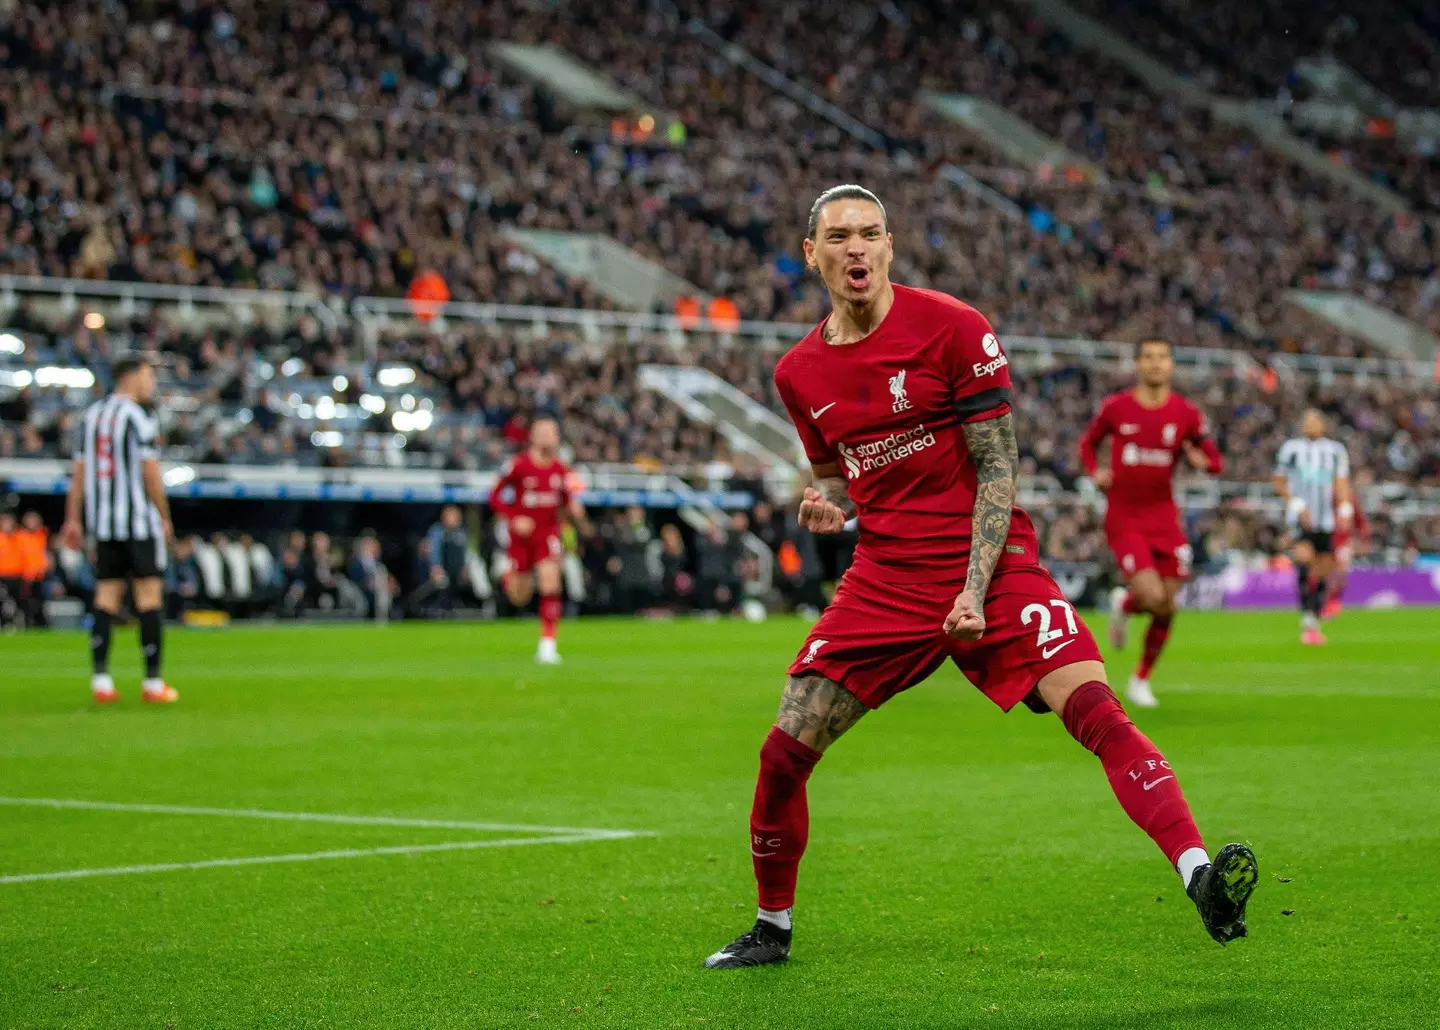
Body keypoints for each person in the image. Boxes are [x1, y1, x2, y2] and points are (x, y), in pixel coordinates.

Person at [704, 185, 1256, 970]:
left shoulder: (955, 328)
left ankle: (1199, 874)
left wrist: (973, 586)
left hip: (993, 568)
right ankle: (772, 927)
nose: (855, 249)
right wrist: (825, 503)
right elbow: (832, 472)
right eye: (839, 238)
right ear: (812, 254)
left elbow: (999, 466)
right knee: (782, 753)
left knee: (1094, 708)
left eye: (869, 234)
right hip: (885, 580)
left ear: (890, 245)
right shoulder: (799, 372)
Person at [1078, 339, 1223, 708]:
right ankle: (1131, 609)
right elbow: (1087, 445)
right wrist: (1096, 472)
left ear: (1172, 365)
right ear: (1138, 364)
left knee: (1167, 606)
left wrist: (1200, 460)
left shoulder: (1186, 413)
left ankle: (1139, 670)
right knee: (1154, 597)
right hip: (1125, 519)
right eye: (1148, 357)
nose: (1156, 364)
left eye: (1162, 357)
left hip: (1165, 520)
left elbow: (1215, 461)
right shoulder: (1116, 407)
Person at [59, 355, 178, 703]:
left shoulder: (91, 417)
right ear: (133, 376)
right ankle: (153, 683)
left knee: (106, 597)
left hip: (103, 524)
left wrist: (73, 518)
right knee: (148, 597)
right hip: (139, 522)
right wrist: (164, 515)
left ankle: (101, 681)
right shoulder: (138, 418)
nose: (151, 383)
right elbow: (150, 473)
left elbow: (79, 474)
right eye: (148, 376)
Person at [488, 417, 586, 663]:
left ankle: (548, 645)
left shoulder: (563, 470)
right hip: (521, 538)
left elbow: (569, 500)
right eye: (543, 432)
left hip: (547, 534)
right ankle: (509, 576)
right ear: (533, 436)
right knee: (519, 596)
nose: (549, 437)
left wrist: (573, 509)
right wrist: (513, 518)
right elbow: (495, 496)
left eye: (552, 433)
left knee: (550, 583)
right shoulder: (518, 466)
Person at [1273, 410, 1352, 645]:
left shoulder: (1336, 451)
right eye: (1307, 422)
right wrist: (1296, 504)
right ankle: (1307, 617)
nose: (1311, 425)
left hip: (1325, 518)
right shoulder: (1291, 449)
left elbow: (1341, 482)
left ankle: (1314, 618)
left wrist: (1345, 507)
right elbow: (1279, 481)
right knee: (1304, 560)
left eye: (1315, 422)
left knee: (1323, 570)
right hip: (1300, 517)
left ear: (1323, 425)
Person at [1324, 495, 1369, 620]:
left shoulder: (1351, 500)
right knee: (1328, 574)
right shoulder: (1329, 498)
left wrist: (1364, 540)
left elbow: (1361, 521)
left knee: (1341, 572)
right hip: (1328, 540)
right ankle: (1326, 601)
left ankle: (1334, 601)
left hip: (1343, 542)